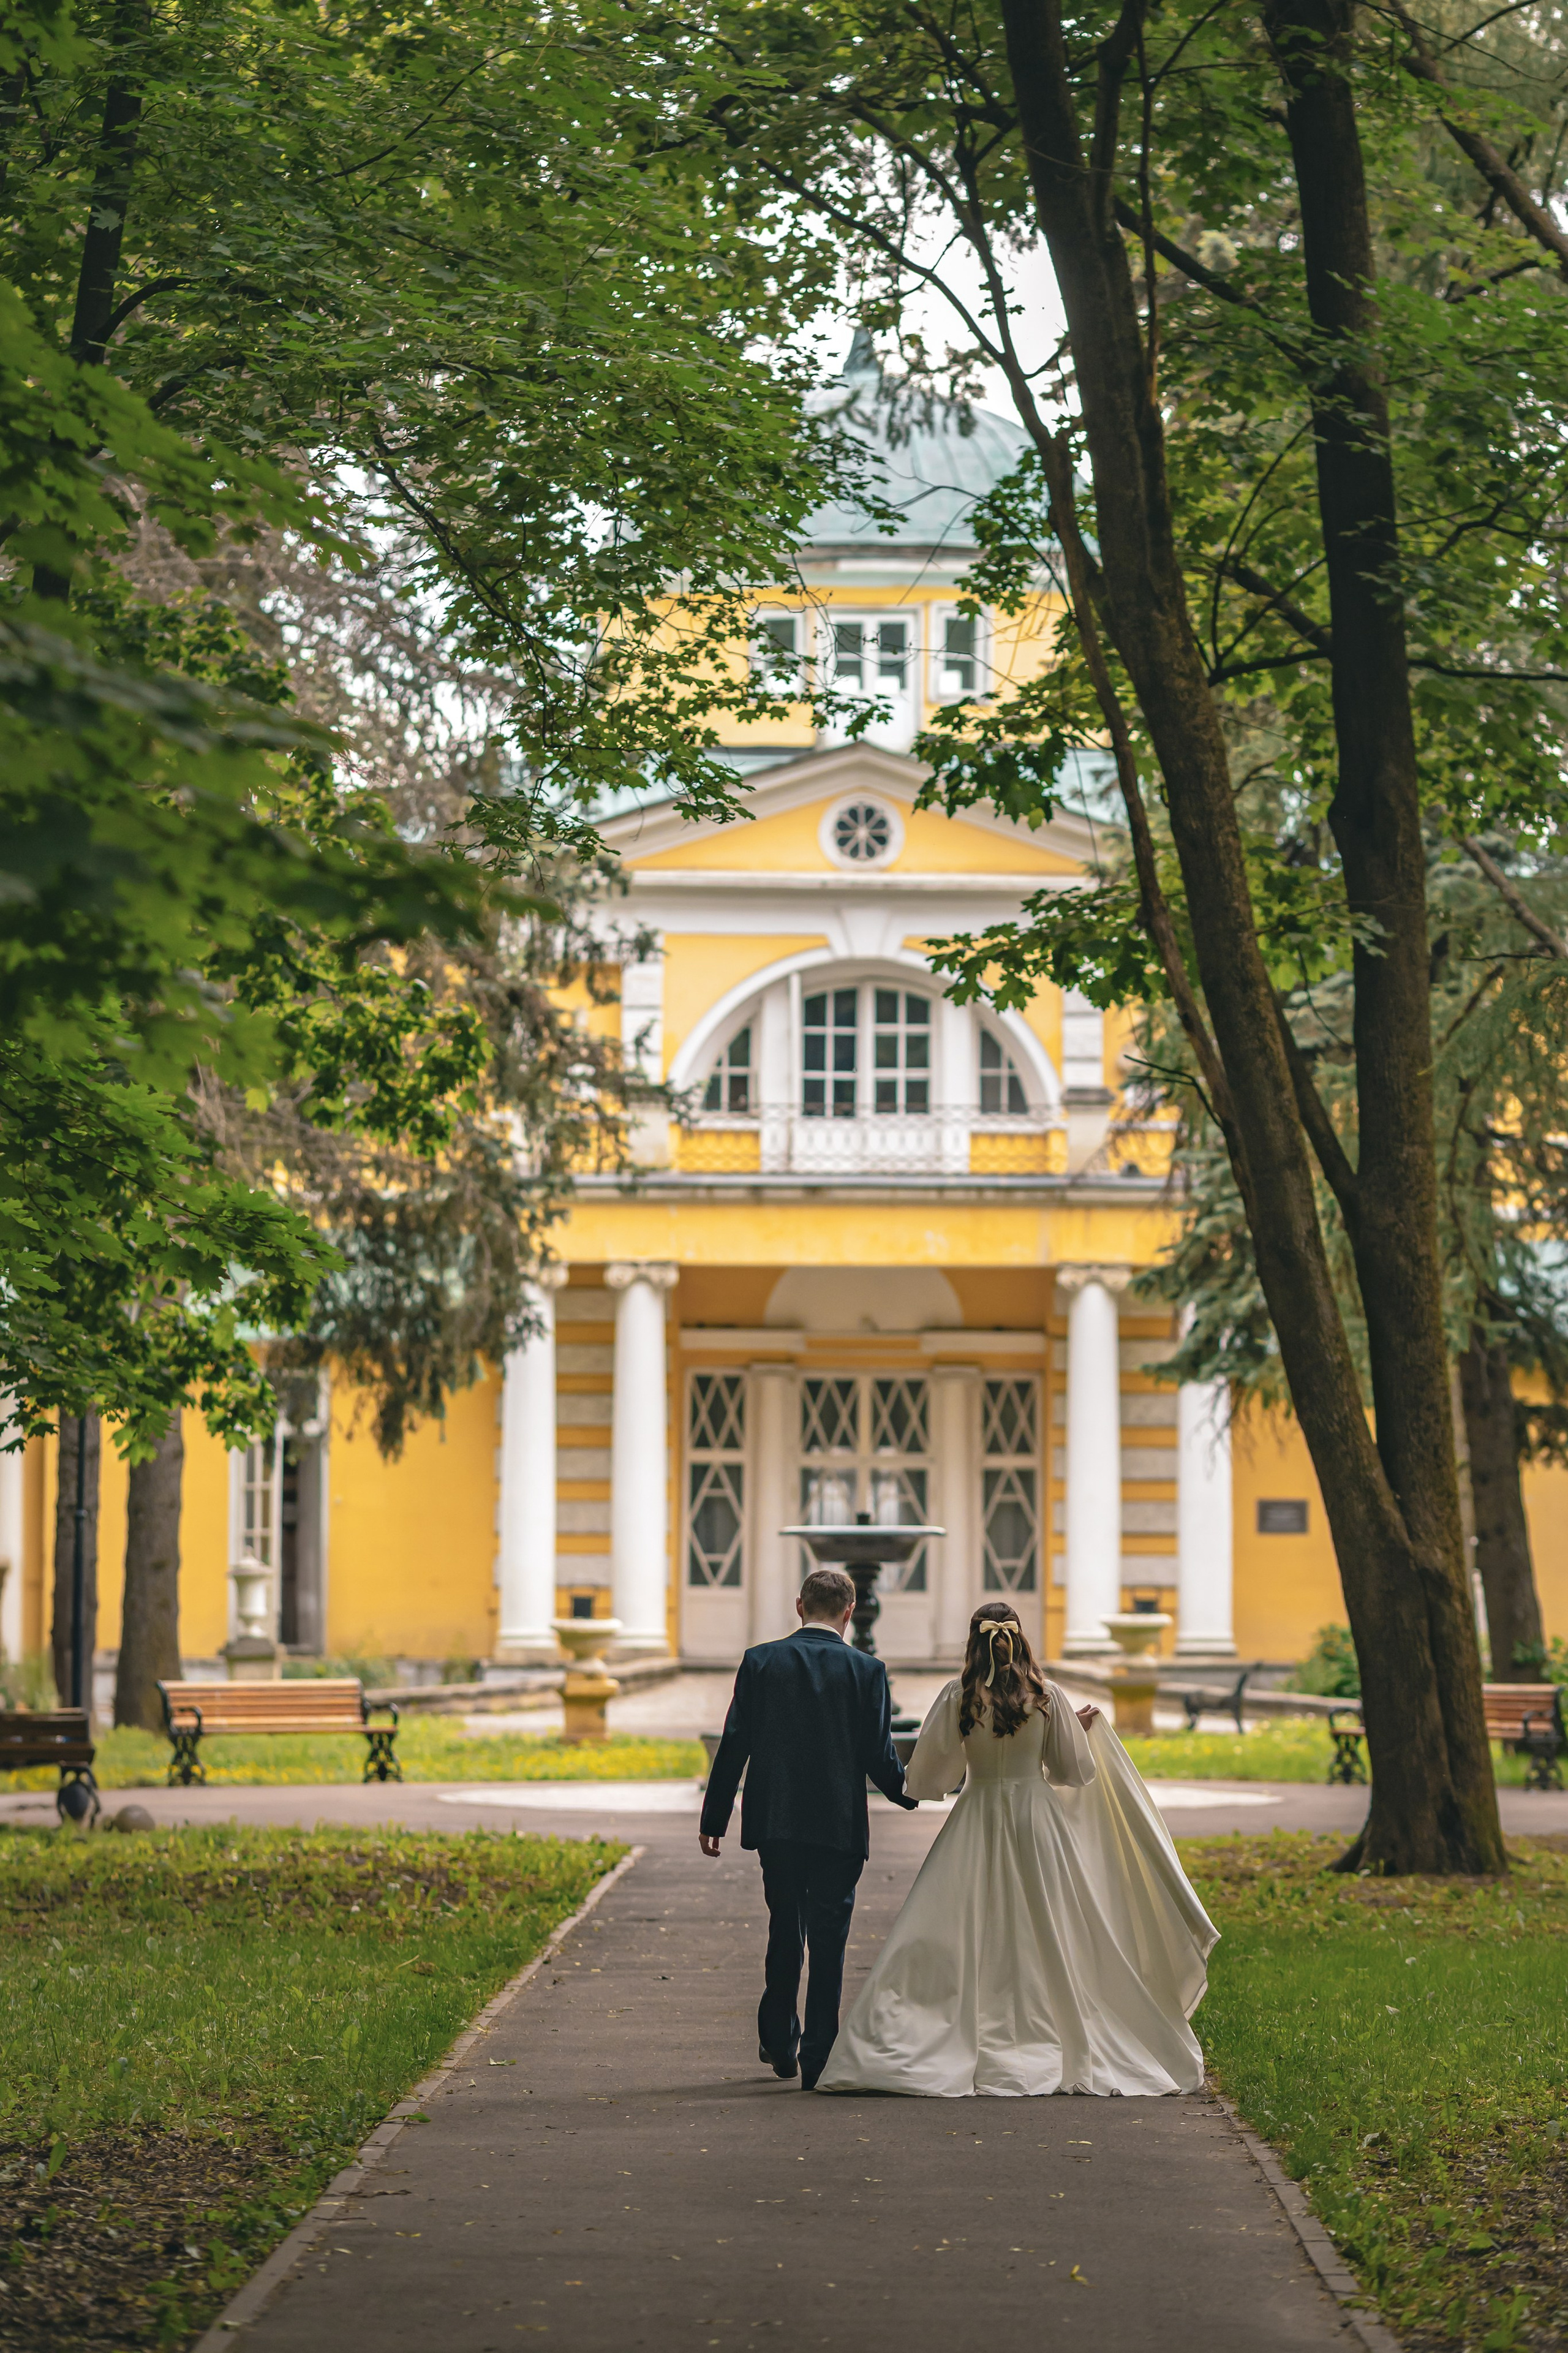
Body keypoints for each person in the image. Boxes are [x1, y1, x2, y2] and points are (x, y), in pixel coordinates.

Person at [816, 1598, 1219, 2098]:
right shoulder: (1047, 1696)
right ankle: (1058, 2027)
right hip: (1037, 1820)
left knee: (962, 1922)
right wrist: (1074, 1728)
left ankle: (944, 2028)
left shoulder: (959, 1694)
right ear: (1020, 1638)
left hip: (978, 1814)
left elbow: (932, 1776)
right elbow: (1073, 1771)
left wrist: (924, 1777)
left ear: (974, 1641)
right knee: (1053, 1925)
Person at [698, 1565, 918, 2089]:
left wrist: (715, 1816)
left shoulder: (760, 1661)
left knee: (784, 1927)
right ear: (850, 1612)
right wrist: (911, 1793)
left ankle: (779, 2041)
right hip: (839, 1826)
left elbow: (735, 1743)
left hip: (776, 1822)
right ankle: (818, 2057)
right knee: (829, 1940)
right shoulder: (867, 1670)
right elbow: (879, 1754)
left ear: (800, 1606)